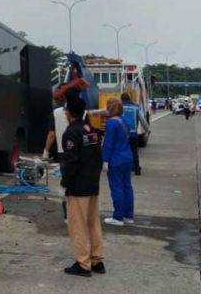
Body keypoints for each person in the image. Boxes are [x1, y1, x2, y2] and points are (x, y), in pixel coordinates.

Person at [60, 95, 105, 277]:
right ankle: (96, 260)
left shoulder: (71, 132)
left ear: (69, 113)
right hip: (93, 183)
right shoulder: (91, 130)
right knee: (93, 222)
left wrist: (64, 184)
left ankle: (83, 263)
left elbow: (71, 162)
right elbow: (97, 157)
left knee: (77, 224)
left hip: (78, 186)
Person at [102, 97, 135, 227]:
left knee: (116, 187)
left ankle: (118, 217)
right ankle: (128, 215)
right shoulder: (125, 121)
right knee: (127, 187)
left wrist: (105, 160)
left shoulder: (111, 123)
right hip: (127, 157)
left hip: (116, 159)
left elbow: (108, 144)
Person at [120, 93, 150, 176]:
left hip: (123, 134)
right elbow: (142, 120)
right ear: (130, 99)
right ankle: (137, 169)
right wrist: (148, 130)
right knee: (134, 152)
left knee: (122, 151)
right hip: (133, 134)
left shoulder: (119, 107)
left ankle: (124, 168)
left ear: (121, 99)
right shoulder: (136, 107)